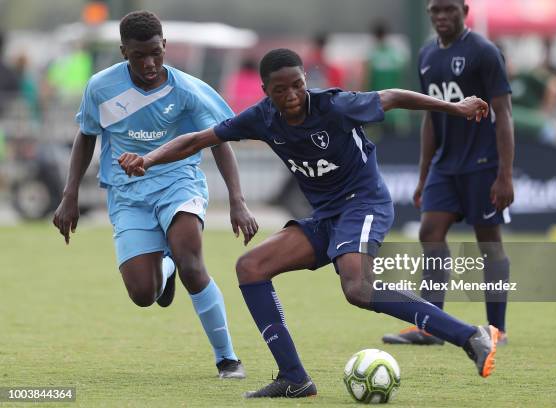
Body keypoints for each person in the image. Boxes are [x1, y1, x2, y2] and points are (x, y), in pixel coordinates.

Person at [119, 48, 500, 399]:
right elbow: (199, 139)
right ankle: (294, 378)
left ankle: (469, 335)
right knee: (250, 267)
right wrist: (148, 160)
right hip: (326, 217)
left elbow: (394, 96)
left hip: (363, 204)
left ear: (306, 80)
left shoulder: (334, 105)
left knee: (357, 287)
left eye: (298, 85)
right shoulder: (262, 118)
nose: (292, 95)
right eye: (280, 89)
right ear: (266, 90)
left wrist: (456, 107)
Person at [52, 11, 257, 379]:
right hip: (128, 194)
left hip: (179, 182)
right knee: (143, 294)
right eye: (138, 56)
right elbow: (86, 135)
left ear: (164, 46)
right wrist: (69, 195)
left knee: (192, 262)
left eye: (155, 53)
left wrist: (237, 200)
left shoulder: (187, 90)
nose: (149, 63)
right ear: (123, 52)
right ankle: (166, 268)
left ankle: (227, 359)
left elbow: (219, 140)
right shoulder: (100, 87)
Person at [382, 0, 514, 346]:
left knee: (489, 244)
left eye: (449, 10)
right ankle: (431, 327)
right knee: (430, 231)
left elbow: (504, 114)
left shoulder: (484, 52)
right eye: (435, 11)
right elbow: (430, 116)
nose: (441, 17)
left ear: (464, 10)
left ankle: (497, 328)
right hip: (445, 165)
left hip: (482, 165)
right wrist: (424, 174)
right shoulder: (426, 55)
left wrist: (505, 174)